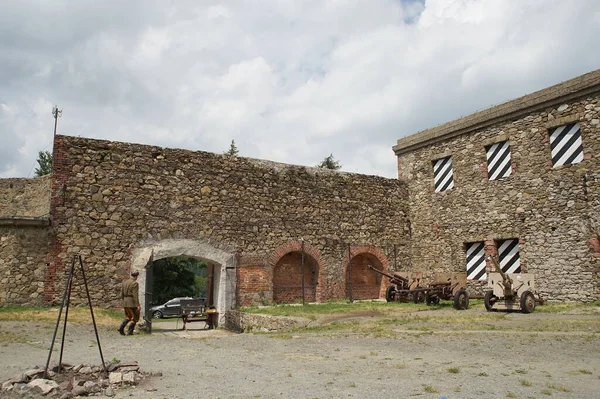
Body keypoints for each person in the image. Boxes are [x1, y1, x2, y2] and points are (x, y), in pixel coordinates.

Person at [118, 271, 141, 336]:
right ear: (136, 276)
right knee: (135, 317)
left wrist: (124, 300)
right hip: (132, 302)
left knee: (128, 316)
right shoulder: (135, 283)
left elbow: (121, 294)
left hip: (125, 301)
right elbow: (135, 295)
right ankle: (130, 331)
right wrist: (138, 304)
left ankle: (121, 328)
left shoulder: (125, 282)